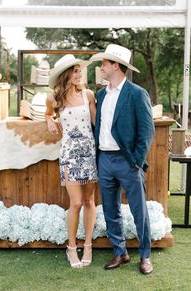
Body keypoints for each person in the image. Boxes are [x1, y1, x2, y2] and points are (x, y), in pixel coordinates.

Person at [90, 44, 155, 275]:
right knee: (110, 210)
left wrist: (136, 161)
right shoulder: (100, 94)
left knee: (139, 211)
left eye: (104, 64)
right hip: (105, 160)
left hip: (128, 162)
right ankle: (120, 252)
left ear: (115, 65)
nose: (101, 68)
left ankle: (145, 256)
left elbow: (147, 131)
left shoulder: (137, 94)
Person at [45, 54, 98, 268]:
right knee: (75, 203)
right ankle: (71, 248)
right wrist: (49, 120)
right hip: (68, 154)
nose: (79, 74)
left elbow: (97, 123)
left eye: (79, 70)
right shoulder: (54, 99)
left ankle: (88, 245)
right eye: (75, 71)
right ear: (66, 74)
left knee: (89, 202)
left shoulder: (89, 95)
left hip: (90, 153)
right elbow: (47, 114)